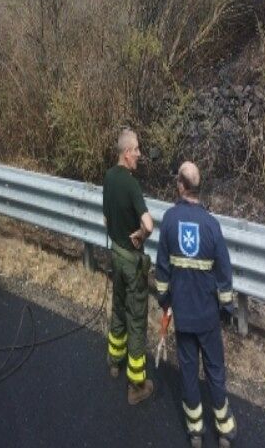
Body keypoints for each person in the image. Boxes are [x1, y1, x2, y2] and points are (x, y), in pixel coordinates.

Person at [155, 161, 237, 448]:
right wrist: (226, 308)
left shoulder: (169, 221)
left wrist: (165, 302)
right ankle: (225, 430)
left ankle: (195, 431)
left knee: (188, 372)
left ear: (180, 185)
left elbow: (162, 271)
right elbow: (224, 274)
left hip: (185, 317)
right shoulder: (211, 225)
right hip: (207, 317)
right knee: (215, 370)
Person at [103, 128, 155, 405]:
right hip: (132, 263)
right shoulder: (132, 185)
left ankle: (114, 360)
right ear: (126, 152)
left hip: (115, 255)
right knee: (136, 320)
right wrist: (141, 235)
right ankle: (136, 384)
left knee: (118, 308)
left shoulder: (109, 177)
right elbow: (148, 224)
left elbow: (106, 219)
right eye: (136, 150)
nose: (139, 154)